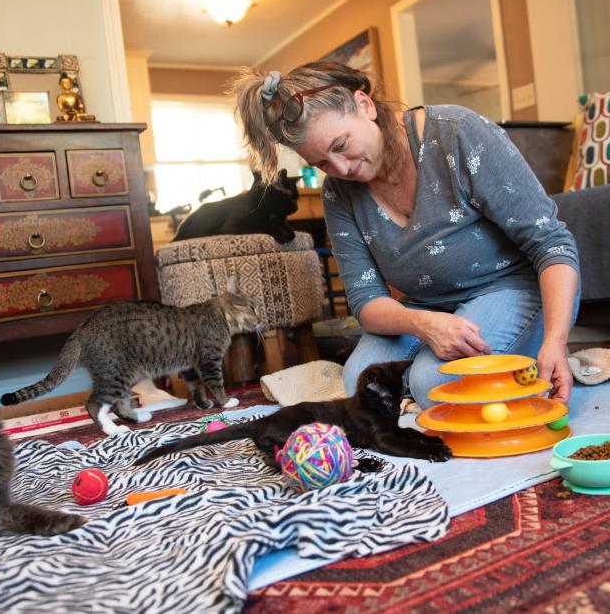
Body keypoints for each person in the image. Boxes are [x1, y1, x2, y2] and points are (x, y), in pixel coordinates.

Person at [230, 61, 580, 408]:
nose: (340, 169)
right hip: (424, 305)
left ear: (365, 105)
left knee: (434, 383)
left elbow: (552, 244)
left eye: (340, 145)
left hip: (511, 286)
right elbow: (367, 302)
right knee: (361, 381)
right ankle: (442, 374)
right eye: (320, 164)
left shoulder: (456, 133)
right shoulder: (338, 192)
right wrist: (424, 324)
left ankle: (434, 378)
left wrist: (555, 340)